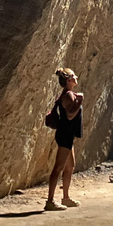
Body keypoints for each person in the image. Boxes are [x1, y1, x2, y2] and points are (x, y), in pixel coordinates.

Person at [45, 67, 84, 211]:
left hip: (68, 135)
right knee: (58, 168)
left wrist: (78, 98)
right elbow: (70, 115)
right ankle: (50, 201)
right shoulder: (68, 95)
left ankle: (66, 198)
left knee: (70, 166)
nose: (76, 78)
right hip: (65, 135)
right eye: (74, 76)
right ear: (68, 80)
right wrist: (80, 100)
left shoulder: (70, 94)